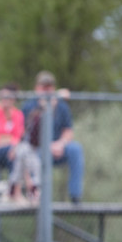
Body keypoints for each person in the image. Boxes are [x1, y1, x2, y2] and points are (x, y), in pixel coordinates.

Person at [20, 70, 85, 203]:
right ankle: (36, 197)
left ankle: (75, 195)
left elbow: (68, 131)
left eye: (49, 87)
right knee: (31, 156)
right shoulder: (28, 106)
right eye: (44, 87)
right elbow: (25, 135)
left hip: (58, 148)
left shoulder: (62, 106)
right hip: (38, 149)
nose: (47, 90)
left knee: (75, 149)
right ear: (37, 88)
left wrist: (61, 144)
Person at [0, 83, 39, 203]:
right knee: (19, 151)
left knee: (21, 153)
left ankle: (20, 192)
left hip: (12, 153)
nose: (5, 100)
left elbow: (19, 138)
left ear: (14, 99)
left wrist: (4, 141)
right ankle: (27, 191)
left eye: (9, 97)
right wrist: (10, 141)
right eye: (3, 96)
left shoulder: (17, 115)